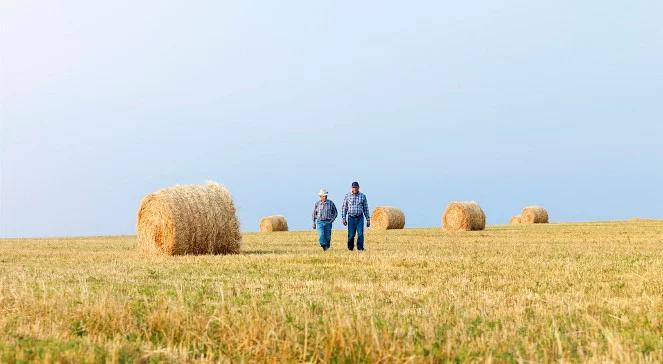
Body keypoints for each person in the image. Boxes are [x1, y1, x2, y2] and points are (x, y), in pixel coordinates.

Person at [342, 181, 370, 251]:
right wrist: (344, 218)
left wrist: (368, 219)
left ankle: (360, 248)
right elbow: (344, 207)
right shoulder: (347, 196)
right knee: (351, 235)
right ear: (351, 188)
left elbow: (365, 208)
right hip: (351, 218)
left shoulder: (363, 196)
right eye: (353, 187)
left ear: (358, 188)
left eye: (356, 187)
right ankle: (350, 248)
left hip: (360, 218)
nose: (354, 189)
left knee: (360, 234)